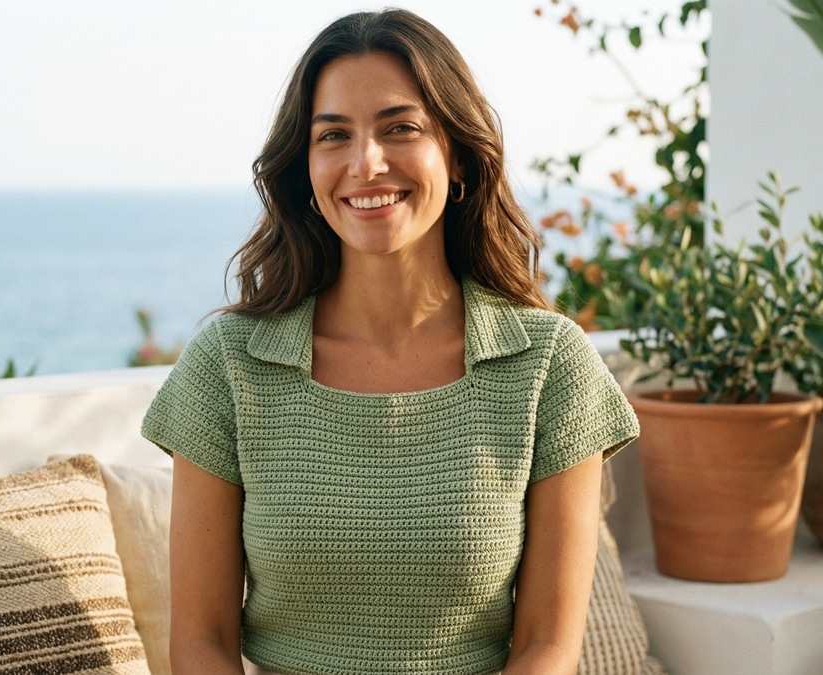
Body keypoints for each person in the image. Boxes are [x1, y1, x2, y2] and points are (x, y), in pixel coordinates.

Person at [142, 9, 639, 675]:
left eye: (399, 128)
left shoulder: (549, 366)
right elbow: (200, 640)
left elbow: (547, 645)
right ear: (306, 172)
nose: (365, 163)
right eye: (334, 136)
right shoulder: (229, 365)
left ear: (457, 154)